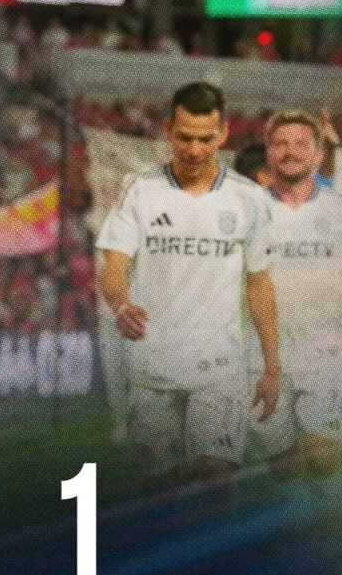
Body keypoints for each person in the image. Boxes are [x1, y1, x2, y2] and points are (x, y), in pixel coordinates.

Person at [98, 82, 281, 488]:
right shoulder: (140, 191)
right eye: (185, 137)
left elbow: (260, 283)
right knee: (160, 489)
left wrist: (272, 367)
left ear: (223, 134)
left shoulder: (249, 198)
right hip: (152, 367)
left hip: (220, 368)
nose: (195, 149)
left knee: (216, 479)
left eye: (205, 138)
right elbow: (113, 267)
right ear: (167, 130)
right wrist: (121, 304)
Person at [248, 110, 342, 511]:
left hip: (326, 352)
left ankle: (329, 531)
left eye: (300, 144)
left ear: (318, 154)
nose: (290, 152)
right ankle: (297, 535)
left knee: (321, 455)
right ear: (269, 153)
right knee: (283, 464)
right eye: (281, 144)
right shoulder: (248, 209)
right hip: (263, 356)